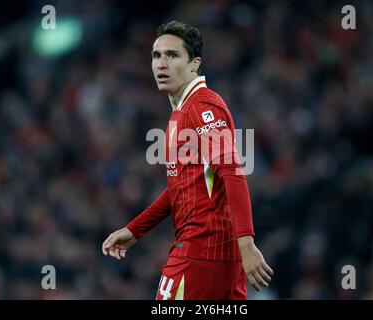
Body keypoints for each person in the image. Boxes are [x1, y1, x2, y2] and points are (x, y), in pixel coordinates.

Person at [102, 20, 273, 300]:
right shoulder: (180, 114)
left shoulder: (202, 106)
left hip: (201, 249)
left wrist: (247, 244)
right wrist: (135, 230)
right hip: (212, 252)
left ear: (194, 65)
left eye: (172, 55)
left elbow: (232, 172)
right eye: (156, 56)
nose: (161, 63)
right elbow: (179, 189)